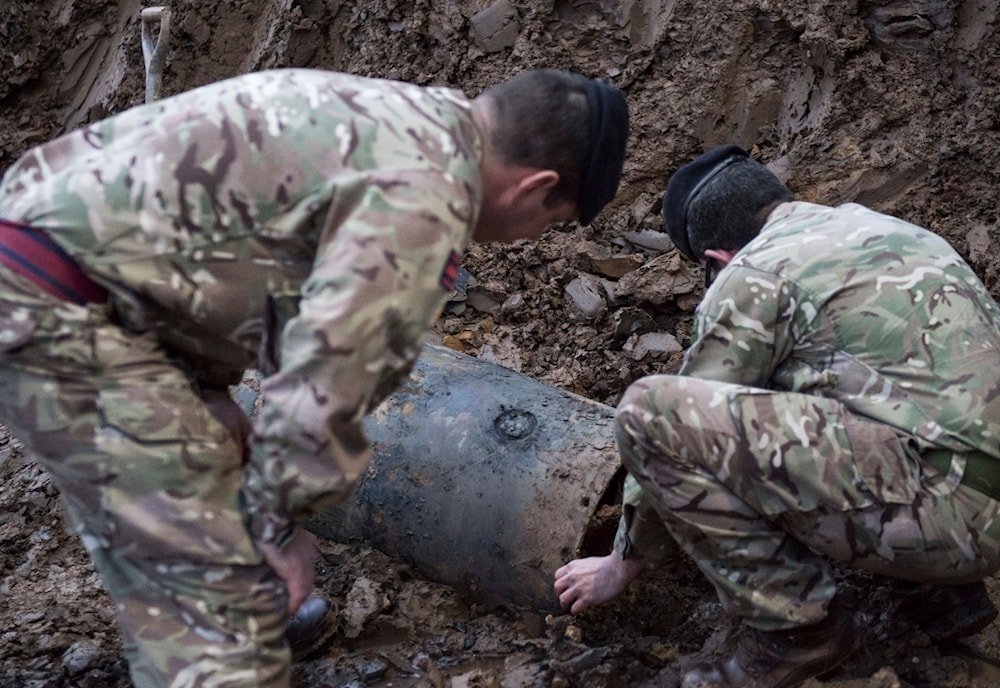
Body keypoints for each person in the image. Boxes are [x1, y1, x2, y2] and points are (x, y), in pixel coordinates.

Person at [0, 67, 628, 687]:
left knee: (214, 491)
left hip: (52, 268)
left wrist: (207, 387)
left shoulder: (400, 120)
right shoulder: (426, 199)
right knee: (223, 630)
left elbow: (233, 251)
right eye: (551, 219)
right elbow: (329, 382)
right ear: (533, 188)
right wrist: (279, 526)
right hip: (61, 311)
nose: (531, 236)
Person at [554, 144, 1000, 688]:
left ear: (716, 260)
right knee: (829, 382)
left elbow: (680, 426)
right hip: (973, 492)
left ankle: (798, 633)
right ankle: (932, 594)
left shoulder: (754, 274)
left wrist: (621, 563)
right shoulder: (890, 231)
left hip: (957, 523)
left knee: (650, 413)